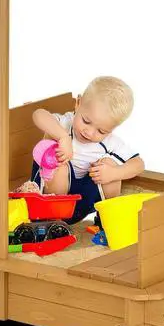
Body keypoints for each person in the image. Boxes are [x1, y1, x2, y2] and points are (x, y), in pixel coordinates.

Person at [29, 76, 145, 223]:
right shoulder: (66, 123)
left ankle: (107, 219)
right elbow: (38, 114)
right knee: (59, 164)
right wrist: (62, 137)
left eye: (101, 131)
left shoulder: (109, 142)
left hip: (82, 201)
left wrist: (113, 173)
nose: (89, 132)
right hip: (49, 202)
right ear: (78, 103)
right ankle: (53, 221)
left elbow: (138, 164)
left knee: (110, 165)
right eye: (86, 121)